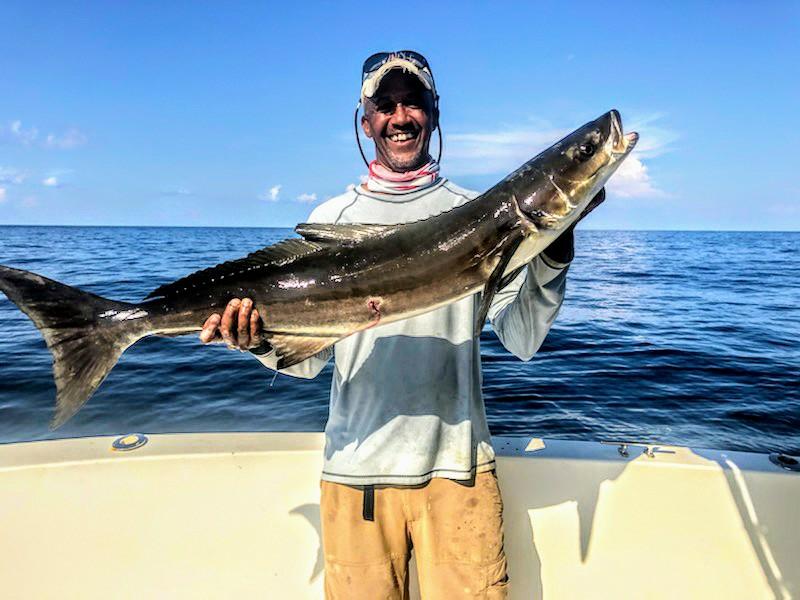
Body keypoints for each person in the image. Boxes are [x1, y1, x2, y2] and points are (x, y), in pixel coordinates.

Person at [200, 50, 603, 599]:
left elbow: (522, 338)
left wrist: (555, 252)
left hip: (460, 474)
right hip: (355, 475)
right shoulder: (329, 222)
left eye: (412, 102)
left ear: (434, 113)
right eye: (385, 105)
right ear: (366, 121)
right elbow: (309, 362)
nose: (400, 117)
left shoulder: (477, 212)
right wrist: (257, 341)